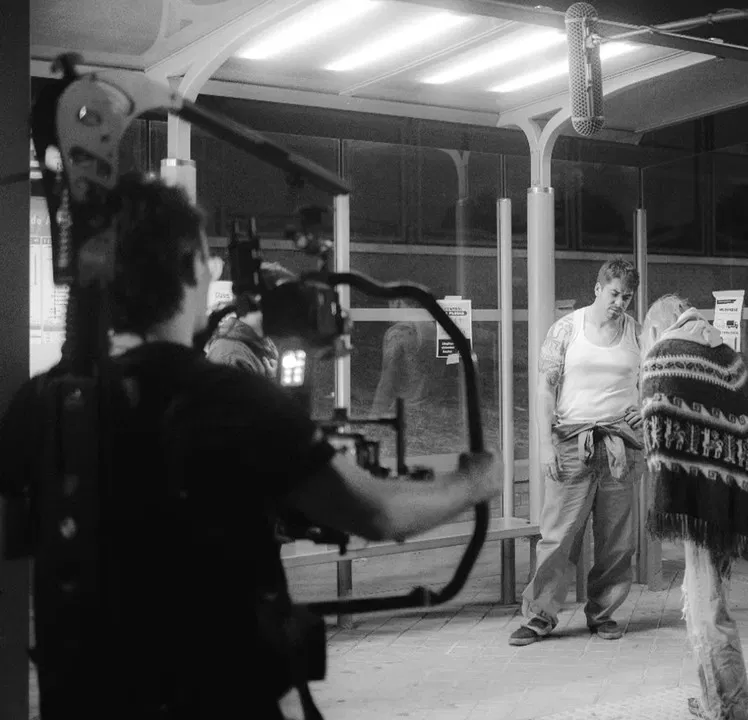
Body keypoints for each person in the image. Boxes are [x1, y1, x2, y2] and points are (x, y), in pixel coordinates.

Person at [0, 172, 500, 720]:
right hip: (215, 695)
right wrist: (472, 481)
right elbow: (379, 512)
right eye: (207, 259)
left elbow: (21, 532)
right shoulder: (228, 397)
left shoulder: (42, 402)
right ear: (189, 267)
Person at [639, 295, 748, 720]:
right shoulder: (724, 354)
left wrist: (683, 464)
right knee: (704, 596)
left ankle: (732, 709)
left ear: (656, 329)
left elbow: (654, 417)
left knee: (707, 609)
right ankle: (713, 699)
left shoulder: (665, 354)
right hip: (734, 496)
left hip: (699, 502)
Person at [509, 259, 644, 646]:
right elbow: (544, 390)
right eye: (614, 293)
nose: (619, 303)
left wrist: (647, 406)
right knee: (558, 536)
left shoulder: (637, 334)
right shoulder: (566, 329)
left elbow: (656, 379)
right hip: (571, 442)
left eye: (626, 297)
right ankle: (540, 616)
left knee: (617, 539)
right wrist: (544, 446)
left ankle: (603, 613)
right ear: (598, 288)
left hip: (619, 446)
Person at [204, 261, 296, 377]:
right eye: (286, 302)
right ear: (258, 300)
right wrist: (271, 382)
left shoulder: (260, 343)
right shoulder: (230, 357)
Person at [370, 298, 434, 416]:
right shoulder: (432, 327)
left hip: (404, 413)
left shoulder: (399, 332)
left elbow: (387, 381)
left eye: (389, 304)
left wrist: (374, 415)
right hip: (430, 412)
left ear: (397, 302)